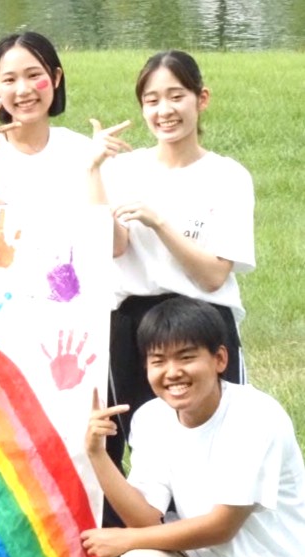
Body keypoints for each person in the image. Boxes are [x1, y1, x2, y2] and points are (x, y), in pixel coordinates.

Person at [81, 297, 305, 557]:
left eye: (186, 357)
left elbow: (222, 527)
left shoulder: (255, 417)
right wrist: (97, 455)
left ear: (220, 359)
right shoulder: (152, 417)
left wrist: (125, 541)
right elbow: (145, 518)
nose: (172, 372)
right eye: (158, 361)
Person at [89, 50, 254, 470]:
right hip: (132, 326)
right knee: (139, 448)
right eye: (152, 100)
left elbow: (213, 276)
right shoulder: (122, 169)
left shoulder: (228, 176)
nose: (164, 110)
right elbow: (113, 246)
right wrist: (93, 172)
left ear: (202, 98)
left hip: (203, 319)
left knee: (218, 446)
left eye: (176, 96)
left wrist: (160, 222)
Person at [0, 31, 95, 205]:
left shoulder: (82, 150)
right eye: (9, 80)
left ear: (55, 77)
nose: (23, 90)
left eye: (33, 75)